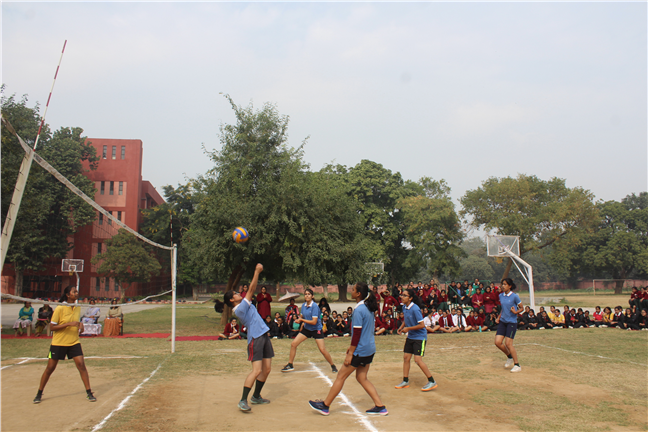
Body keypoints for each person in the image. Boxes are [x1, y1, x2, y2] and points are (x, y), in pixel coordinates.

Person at [308, 282, 387, 416]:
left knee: (341, 376)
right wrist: (351, 347)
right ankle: (380, 406)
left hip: (360, 350)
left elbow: (357, 334)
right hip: (369, 348)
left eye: (353, 289)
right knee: (362, 377)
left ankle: (325, 406)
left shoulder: (359, 310)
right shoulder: (368, 307)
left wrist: (351, 353)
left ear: (358, 294)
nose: (351, 291)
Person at [219, 264, 273, 412]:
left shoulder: (243, 304)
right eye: (235, 293)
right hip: (255, 338)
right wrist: (256, 272)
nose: (238, 293)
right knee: (256, 371)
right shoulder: (239, 308)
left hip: (263, 335)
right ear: (232, 300)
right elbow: (251, 289)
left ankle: (256, 396)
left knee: (267, 369)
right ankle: (243, 400)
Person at [33, 286, 96, 403]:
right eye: (74, 292)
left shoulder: (77, 307)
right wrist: (68, 324)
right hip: (58, 343)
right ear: (68, 295)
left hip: (74, 341)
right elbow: (52, 327)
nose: (76, 293)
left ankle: (89, 392)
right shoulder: (60, 308)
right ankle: (39, 393)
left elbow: (76, 321)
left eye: (77, 291)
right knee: (50, 368)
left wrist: (80, 325)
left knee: (81, 365)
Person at [282, 288, 338, 373]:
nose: (307, 296)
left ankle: (333, 365)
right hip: (307, 329)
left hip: (316, 329)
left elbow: (314, 322)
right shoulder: (304, 305)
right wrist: (298, 319)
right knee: (293, 344)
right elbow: (302, 316)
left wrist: (302, 320)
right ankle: (290, 364)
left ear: (312, 296)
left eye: (309, 294)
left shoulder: (314, 306)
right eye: (305, 294)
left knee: (322, 349)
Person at [394, 288, 438, 392]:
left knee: (418, 360)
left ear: (410, 298)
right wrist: (401, 327)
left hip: (419, 337)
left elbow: (422, 325)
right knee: (406, 358)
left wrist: (408, 329)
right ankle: (405, 381)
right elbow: (406, 319)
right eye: (402, 295)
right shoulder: (404, 307)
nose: (402, 297)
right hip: (411, 337)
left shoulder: (415, 309)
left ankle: (432, 381)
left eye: (405, 295)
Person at [494, 278, 524, 373]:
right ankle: (509, 356)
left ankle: (517, 365)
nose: (503, 286)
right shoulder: (501, 295)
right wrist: (499, 317)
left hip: (511, 322)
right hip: (503, 321)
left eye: (505, 284)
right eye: (502, 284)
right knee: (497, 342)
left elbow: (522, 308)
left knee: (508, 344)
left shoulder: (515, 296)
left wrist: (515, 312)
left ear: (510, 286)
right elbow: (503, 309)